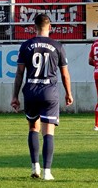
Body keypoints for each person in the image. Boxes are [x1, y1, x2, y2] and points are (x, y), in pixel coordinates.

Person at [11, 13, 73, 181]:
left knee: (33, 128)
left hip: (30, 90)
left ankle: (35, 167)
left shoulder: (26, 45)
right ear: (50, 27)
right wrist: (68, 93)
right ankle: (47, 171)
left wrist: (15, 96)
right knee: (48, 132)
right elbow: (65, 74)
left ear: (34, 27)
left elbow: (19, 73)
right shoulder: (57, 46)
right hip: (49, 92)